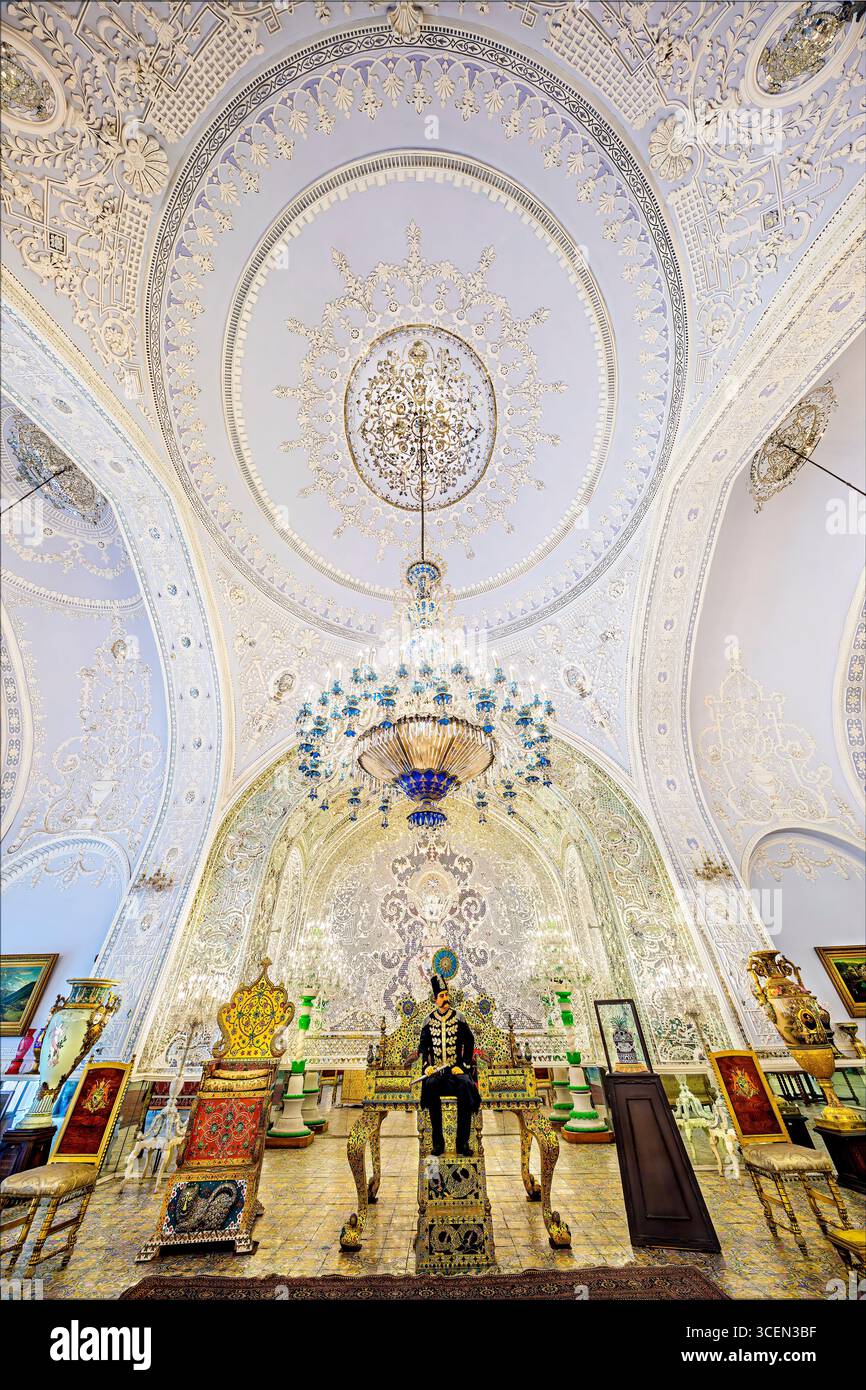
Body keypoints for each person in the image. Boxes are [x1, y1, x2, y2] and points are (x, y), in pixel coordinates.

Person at [419, 975, 481, 1156]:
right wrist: (426, 1067)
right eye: (441, 996)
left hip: (455, 1071)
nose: (445, 999)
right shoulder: (428, 1020)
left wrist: (463, 1065)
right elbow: (423, 1047)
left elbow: (469, 1041)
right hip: (437, 1073)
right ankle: (438, 1143)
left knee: (466, 1085)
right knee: (430, 1086)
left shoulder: (459, 1017)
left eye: (446, 995)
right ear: (435, 999)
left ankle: (462, 1143)